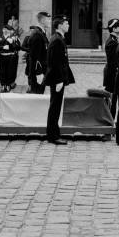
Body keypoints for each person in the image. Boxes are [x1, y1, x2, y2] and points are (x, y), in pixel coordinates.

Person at [44, 15, 75, 145]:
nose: (68, 25)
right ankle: (52, 136)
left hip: (60, 78)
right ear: (60, 25)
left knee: (56, 106)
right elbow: (54, 62)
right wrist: (58, 80)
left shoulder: (60, 38)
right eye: (66, 23)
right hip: (57, 79)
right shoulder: (57, 40)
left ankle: (55, 133)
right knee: (55, 107)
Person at [28, 12, 50, 94]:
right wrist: (39, 73)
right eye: (48, 19)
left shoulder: (41, 33)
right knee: (37, 97)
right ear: (42, 20)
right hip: (38, 75)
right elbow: (34, 58)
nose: (49, 21)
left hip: (41, 72)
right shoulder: (37, 34)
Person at [104, 19, 119, 118]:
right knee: (111, 101)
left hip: (113, 73)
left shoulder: (114, 40)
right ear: (114, 28)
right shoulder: (112, 42)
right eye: (118, 26)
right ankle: (109, 122)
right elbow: (113, 62)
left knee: (113, 100)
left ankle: (111, 121)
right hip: (112, 74)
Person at [0, 25, 21, 93]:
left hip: (10, 57)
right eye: (4, 29)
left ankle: (8, 85)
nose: (5, 31)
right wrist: (2, 47)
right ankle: (3, 85)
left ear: (9, 31)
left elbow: (17, 47)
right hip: (2, 56)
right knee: (2, 71)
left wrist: (12, 43)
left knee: (9, 71)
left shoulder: (13, 38)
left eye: (6, 29)